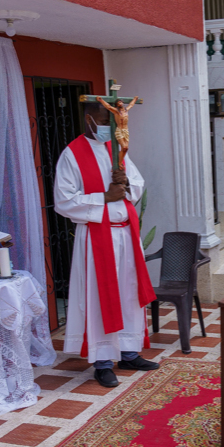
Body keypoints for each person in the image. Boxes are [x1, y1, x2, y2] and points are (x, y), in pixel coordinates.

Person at [55, 101, 159, 387]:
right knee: (101, 298)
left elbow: (137, 185)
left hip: (125, 235)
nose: (111, 129)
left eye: (113, 123)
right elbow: (63, 201)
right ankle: (102, 362)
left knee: (128, 294)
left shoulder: (117, 150)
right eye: (105, 121)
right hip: (97, 238)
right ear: (89, 119)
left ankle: (128, 352)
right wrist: (105, 197)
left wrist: (125, 184)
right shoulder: (72, 155)